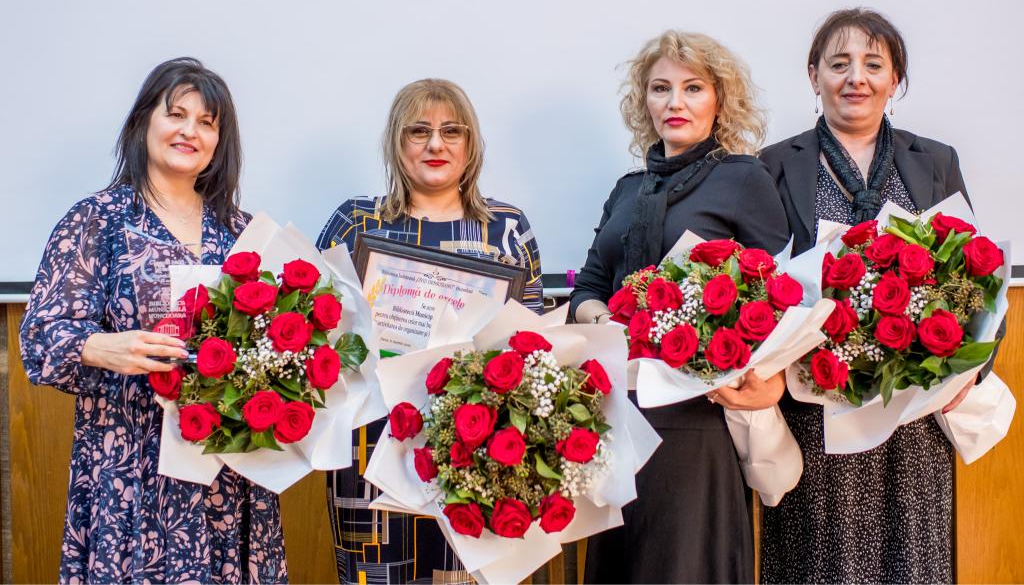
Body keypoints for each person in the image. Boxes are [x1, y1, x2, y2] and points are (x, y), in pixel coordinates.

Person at [20, 58, 286, 582]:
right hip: (130, 462)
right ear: (144, 122)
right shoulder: (97, 219)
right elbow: (39, 338)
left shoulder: (242, 231)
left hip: (228, 470)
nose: (190, 131)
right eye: (176, 115)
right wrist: (100, 346)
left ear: (219, 141)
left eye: (206, 122)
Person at [759, 7, 977, 583]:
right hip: (817, 411)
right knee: (820, 564)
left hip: (915, 412)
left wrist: (969, 373)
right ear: (814, 76)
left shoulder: (936, 160)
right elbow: (761, 285)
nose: (856, 77)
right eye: (839, 64)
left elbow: (978, 281)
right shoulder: (774, 165)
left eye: (873, 64)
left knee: (915, 563)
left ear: (894, 79)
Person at [570, 31, 790, 583]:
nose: (675, 102)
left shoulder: (744, 177)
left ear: (720, 99)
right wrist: (611, 323)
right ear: (643, 101)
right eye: (660, 88)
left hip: (698, 418)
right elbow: (588, 287)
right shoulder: (627, 190)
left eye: (693, 88)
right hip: (616, 415)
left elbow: (781, 291)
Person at [316, 78, 543, 585]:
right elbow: (318, 329)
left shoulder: (507, 228)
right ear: (397, 142)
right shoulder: (356, 221)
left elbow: (532, 345)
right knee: (374, 574)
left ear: (471, 143)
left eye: (451, 131)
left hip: (475, 449)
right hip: (370, 444)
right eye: (418, 131)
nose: (435, 144)